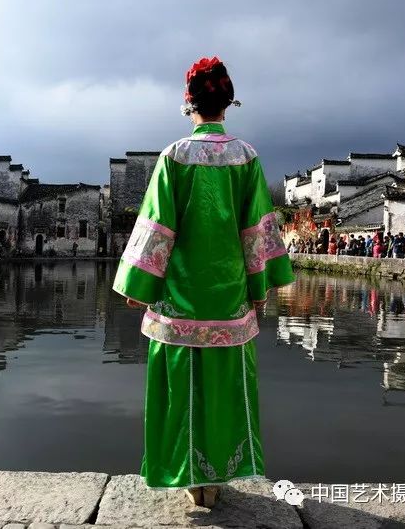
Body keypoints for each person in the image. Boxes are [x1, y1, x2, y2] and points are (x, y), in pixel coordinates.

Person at [112, 56, 295, 508]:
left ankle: (190, 481)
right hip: (230, 298)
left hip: (179, 301)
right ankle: (217, 479)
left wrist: (142, 286)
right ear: (227, 103)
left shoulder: (174, 156)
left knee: (181, 390)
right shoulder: (246, 157)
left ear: (188, 102)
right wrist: (258, 288)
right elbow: (257, 232)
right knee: (223, 389)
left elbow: (157, 225)